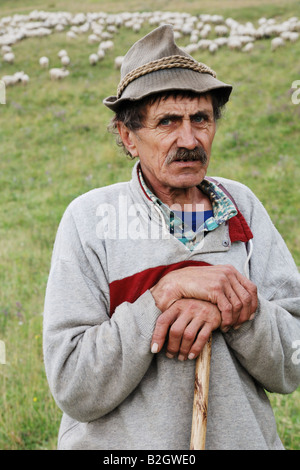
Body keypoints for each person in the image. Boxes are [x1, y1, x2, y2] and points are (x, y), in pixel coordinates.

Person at [43, 25, 300, 450]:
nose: (189, 139)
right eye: (167, 122)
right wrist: (162, 297)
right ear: (128, 137)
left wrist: (233, 313)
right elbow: (74, 385)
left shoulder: (244, 207)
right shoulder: (91, 221)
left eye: (201, 118)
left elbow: (292, 364)